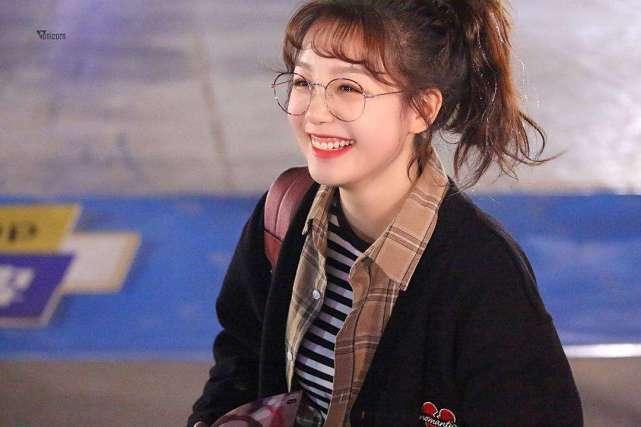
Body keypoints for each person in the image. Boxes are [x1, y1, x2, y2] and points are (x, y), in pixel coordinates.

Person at [189, 1, 583, 426]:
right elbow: (241, 358)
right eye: (304, 82)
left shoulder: (483, 277)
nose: (315, 113)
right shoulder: (284, 212)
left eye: (348, 88)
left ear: (421, 110)